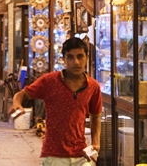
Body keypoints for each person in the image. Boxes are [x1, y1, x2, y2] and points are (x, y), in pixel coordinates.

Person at [12, 37, 100, 165]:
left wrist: (96, 142)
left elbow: (96, 116)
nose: (76, 62)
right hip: (53, 155)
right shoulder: (49, 81)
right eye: (70, 57)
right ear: (64, 59)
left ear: (87, 57)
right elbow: (22, 94)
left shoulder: (93, 86)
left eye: (80, 56)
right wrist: (16, 104)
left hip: (81, 154)